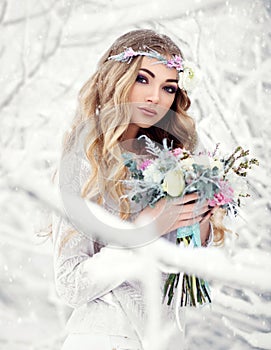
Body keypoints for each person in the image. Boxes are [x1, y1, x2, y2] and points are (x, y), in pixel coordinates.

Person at [52, 29, 227, 350]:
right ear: (117, 78)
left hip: (167, 339)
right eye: (143, 79)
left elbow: (189, 286)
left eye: (168, 88)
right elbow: (69, 284)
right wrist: (144, 230)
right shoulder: (86, 159)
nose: (155, 97)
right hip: (103, 337)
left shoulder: (178, 160)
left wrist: (197, 220)